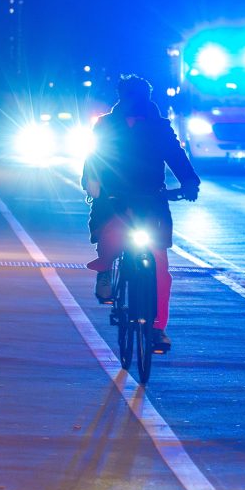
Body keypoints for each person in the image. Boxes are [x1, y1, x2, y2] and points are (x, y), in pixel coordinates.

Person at [82, 75, 201, 353]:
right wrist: (93, 182)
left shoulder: (160, 127)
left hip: (151, 199)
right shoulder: (106, 126)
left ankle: (158, 328)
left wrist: (190, 182)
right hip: (116, 197)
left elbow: (176, 155)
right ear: (122, 98)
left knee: (160, 265)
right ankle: (105, 270)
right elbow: (94, 158)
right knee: (110, 233)